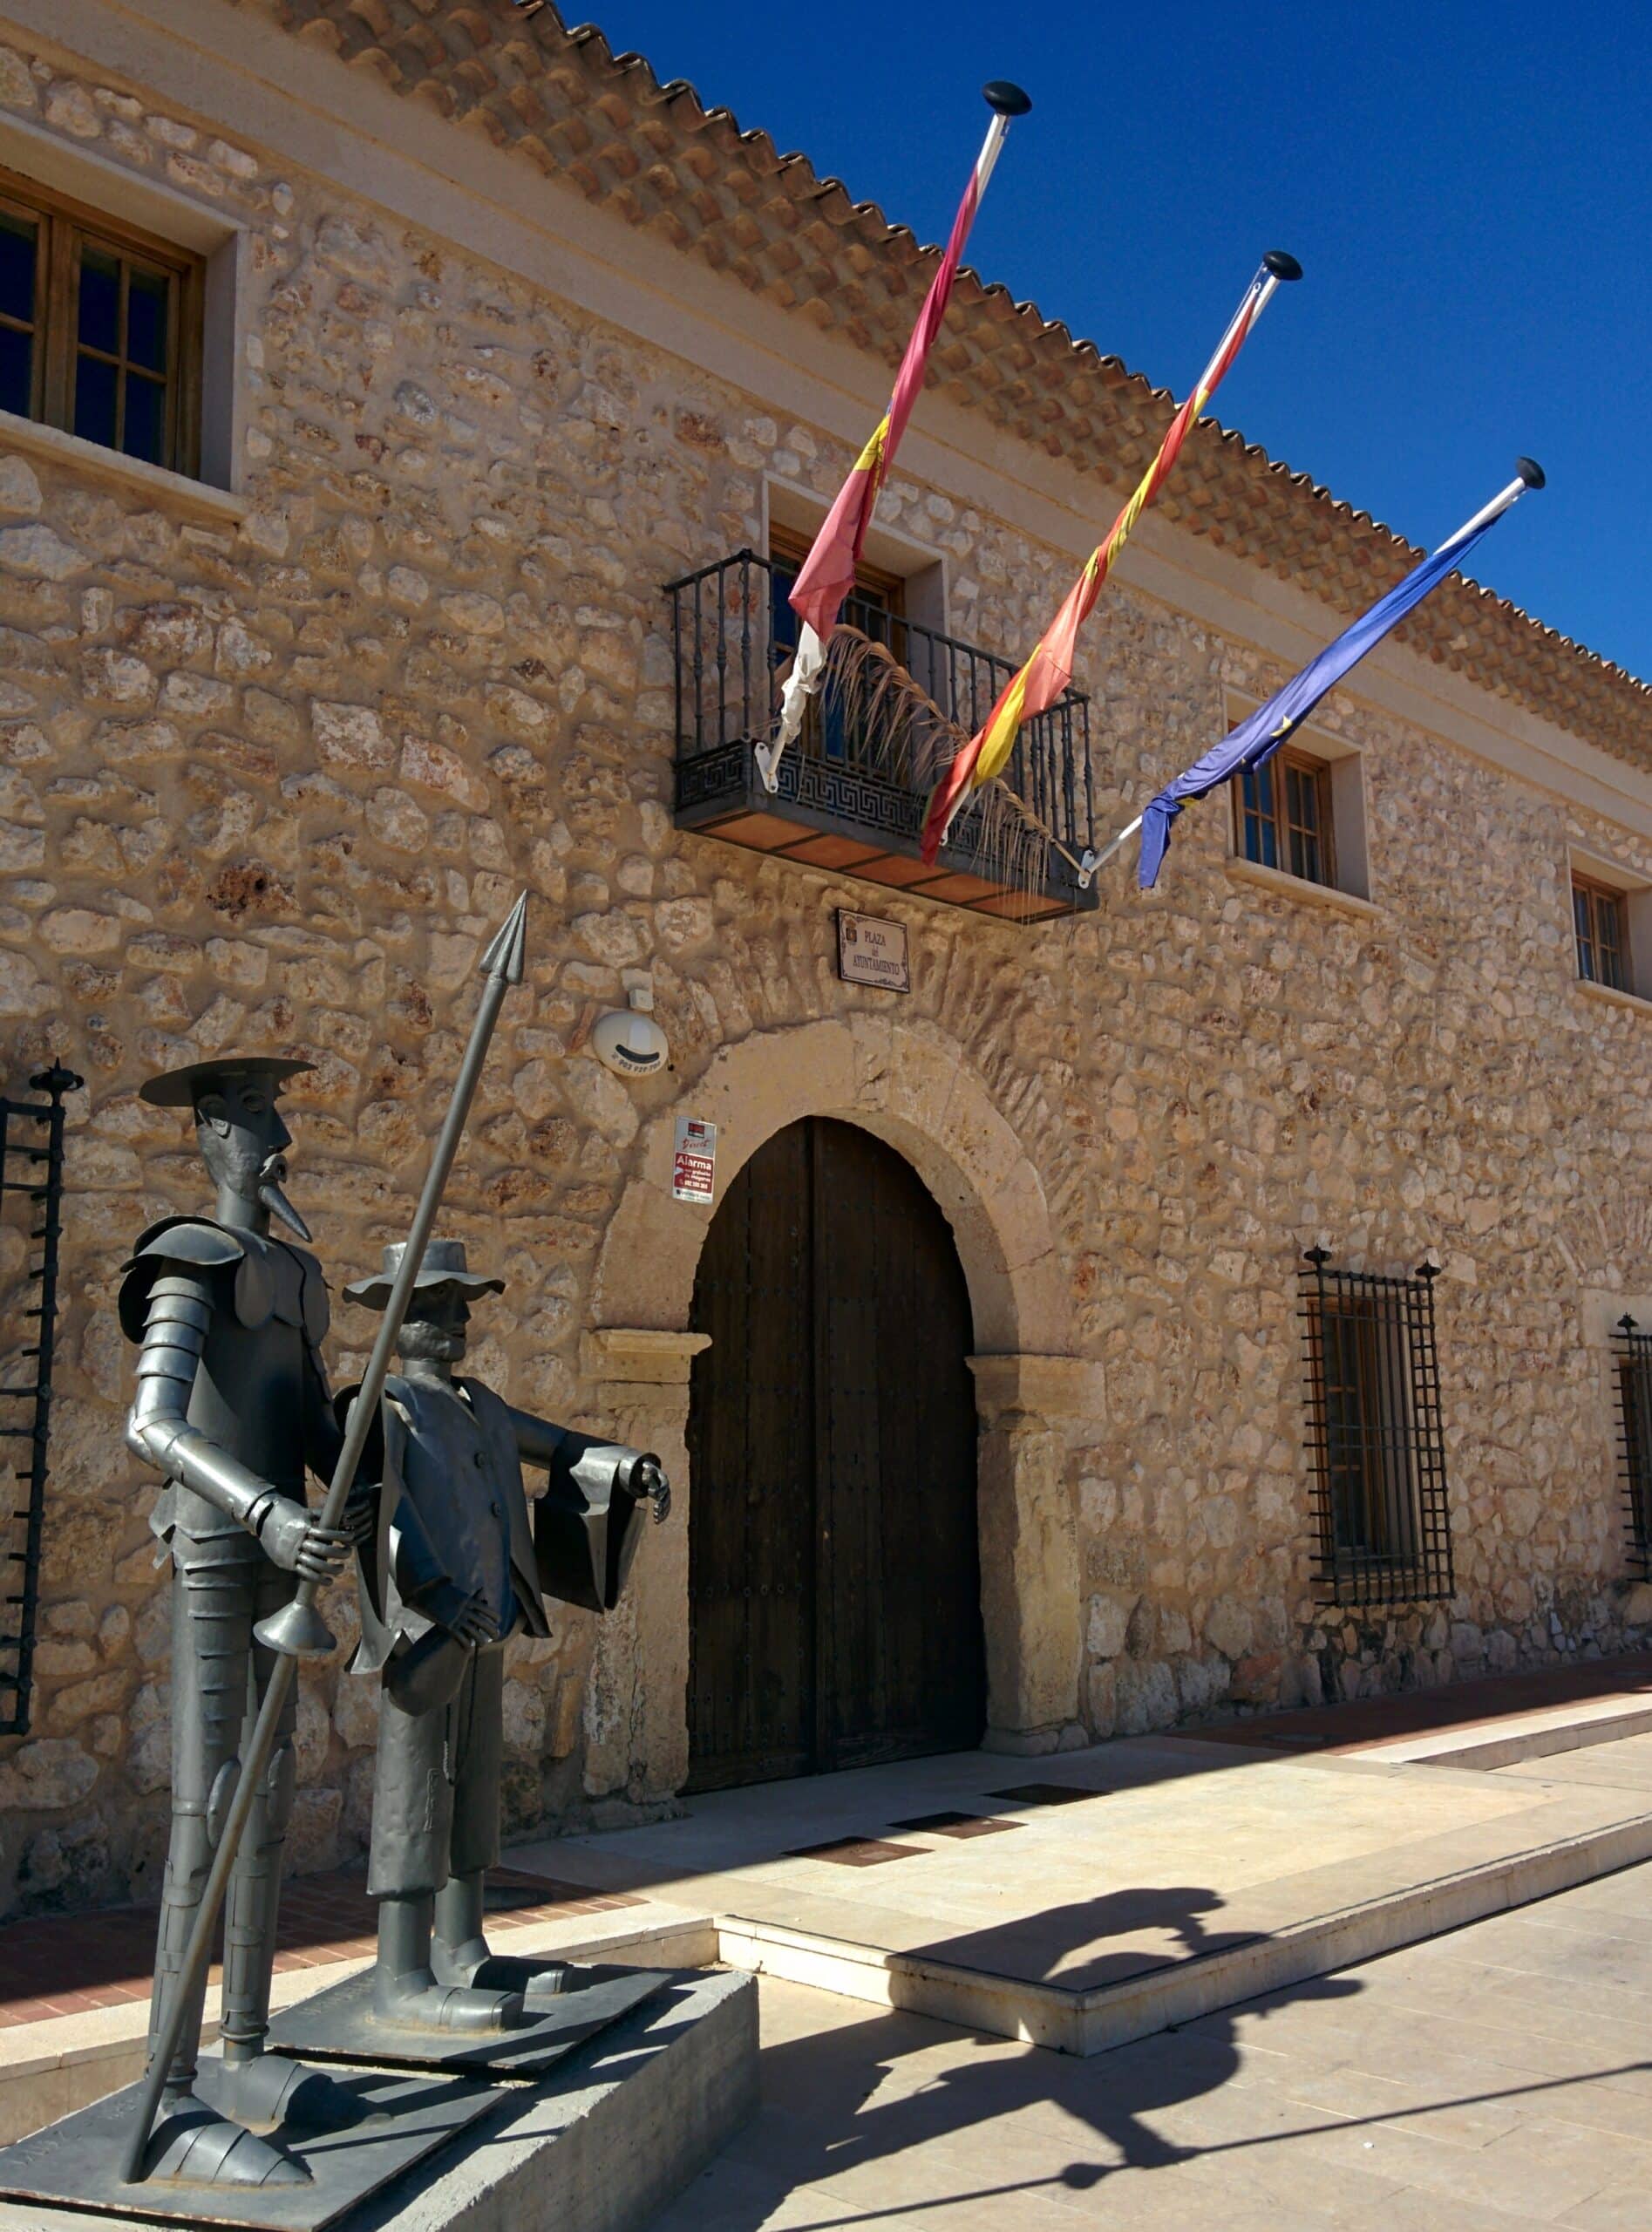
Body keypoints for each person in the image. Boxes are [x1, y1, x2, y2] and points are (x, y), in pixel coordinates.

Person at [119, 1057, 353, 2188]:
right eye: (257, 1118)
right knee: (206, 1808)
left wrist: (370, 1449)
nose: (279, 1140)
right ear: (213, 1134)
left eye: (278, 1116)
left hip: (283, 1556)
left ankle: (246, 2047)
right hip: (219, 1547)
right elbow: (151, 1424)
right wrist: (259, 1508)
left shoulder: (295, 1277)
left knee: (267, 1798)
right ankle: (165, 2096)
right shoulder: (187, 1261)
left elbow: (310, 1424)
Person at [341, 1238, 670, 2030]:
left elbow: (558, 1445)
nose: (455, 1319)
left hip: (488, 1618)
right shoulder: (379, 1407)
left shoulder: (479, 1403)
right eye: (435, 1306)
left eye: (462, 1305)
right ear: (396, 1315)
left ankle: (462, 1948)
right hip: (427, 1628)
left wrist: (629, 1466)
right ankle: (401, 1973)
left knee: (474, 1787)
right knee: (414, 1791)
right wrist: (436, 1591)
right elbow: (374, 1513)